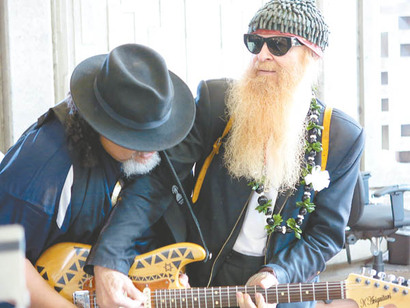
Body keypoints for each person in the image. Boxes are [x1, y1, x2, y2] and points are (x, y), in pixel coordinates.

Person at [86, 1, 365, 308]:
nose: (261, 55)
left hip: (282, 287)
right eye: (255, 43)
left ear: (312, 56)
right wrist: (109, 260)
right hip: (203, 275)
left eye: (279, 45)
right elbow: (155, 184)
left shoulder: (341, 137)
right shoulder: (216, 102)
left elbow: (324, 236)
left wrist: (277, 274)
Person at [0, 44, 195, 307]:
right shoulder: (43, 171)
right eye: (138, 137)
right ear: (101, 122)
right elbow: (5, 261)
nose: (152, 148)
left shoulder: (135, 153)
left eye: (157, 134)